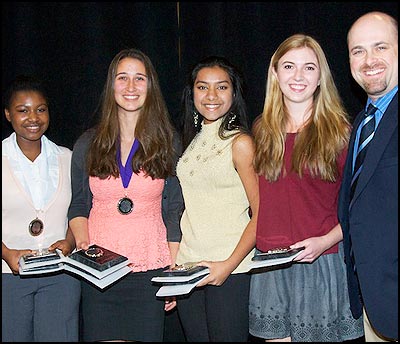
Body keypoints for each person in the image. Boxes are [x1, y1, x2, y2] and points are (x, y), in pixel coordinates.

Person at [249, 34, 365, 342]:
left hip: (321, 262)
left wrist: (325, 241)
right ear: (275, 74)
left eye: (309, 68)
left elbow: (361, 207)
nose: (298, 76)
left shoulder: (340, 132)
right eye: (289, 66)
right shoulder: (262, 130)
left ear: (320, 79)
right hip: (271, 266)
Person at [67, 48, 184, 342]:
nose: (131, 87)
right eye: (123, 78)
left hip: (150, 269)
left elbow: (174, 210)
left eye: (139, 78)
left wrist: (172, 274)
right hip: (100, 274)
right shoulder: (88, 143)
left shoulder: (168, 141)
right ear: (112, 85)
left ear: (150, 86)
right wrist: (85, 248)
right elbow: (79, 204)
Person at [174, 56, 259, 342]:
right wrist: (178, 263)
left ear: (234, 94)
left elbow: (261, 214)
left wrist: (229, 264)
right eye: (202, 87)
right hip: (189, 267)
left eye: (221, 87)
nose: (211, 95)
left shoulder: (241, 143)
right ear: (192, 93)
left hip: (230, 267)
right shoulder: (191, 141)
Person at [2, 75, 81, 342]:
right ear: (8, 115)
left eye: (40, 109)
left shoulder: (67, 157)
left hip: (60, 275)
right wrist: (6, 253)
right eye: (22, 110)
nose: (33, 117)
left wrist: (70, 241)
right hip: (8, 276)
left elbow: (79, 210)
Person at [338, 12, 398, 342]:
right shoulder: (362, 122)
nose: (369, 60)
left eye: (380, 47)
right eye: (358, 50)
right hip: (373, 302)